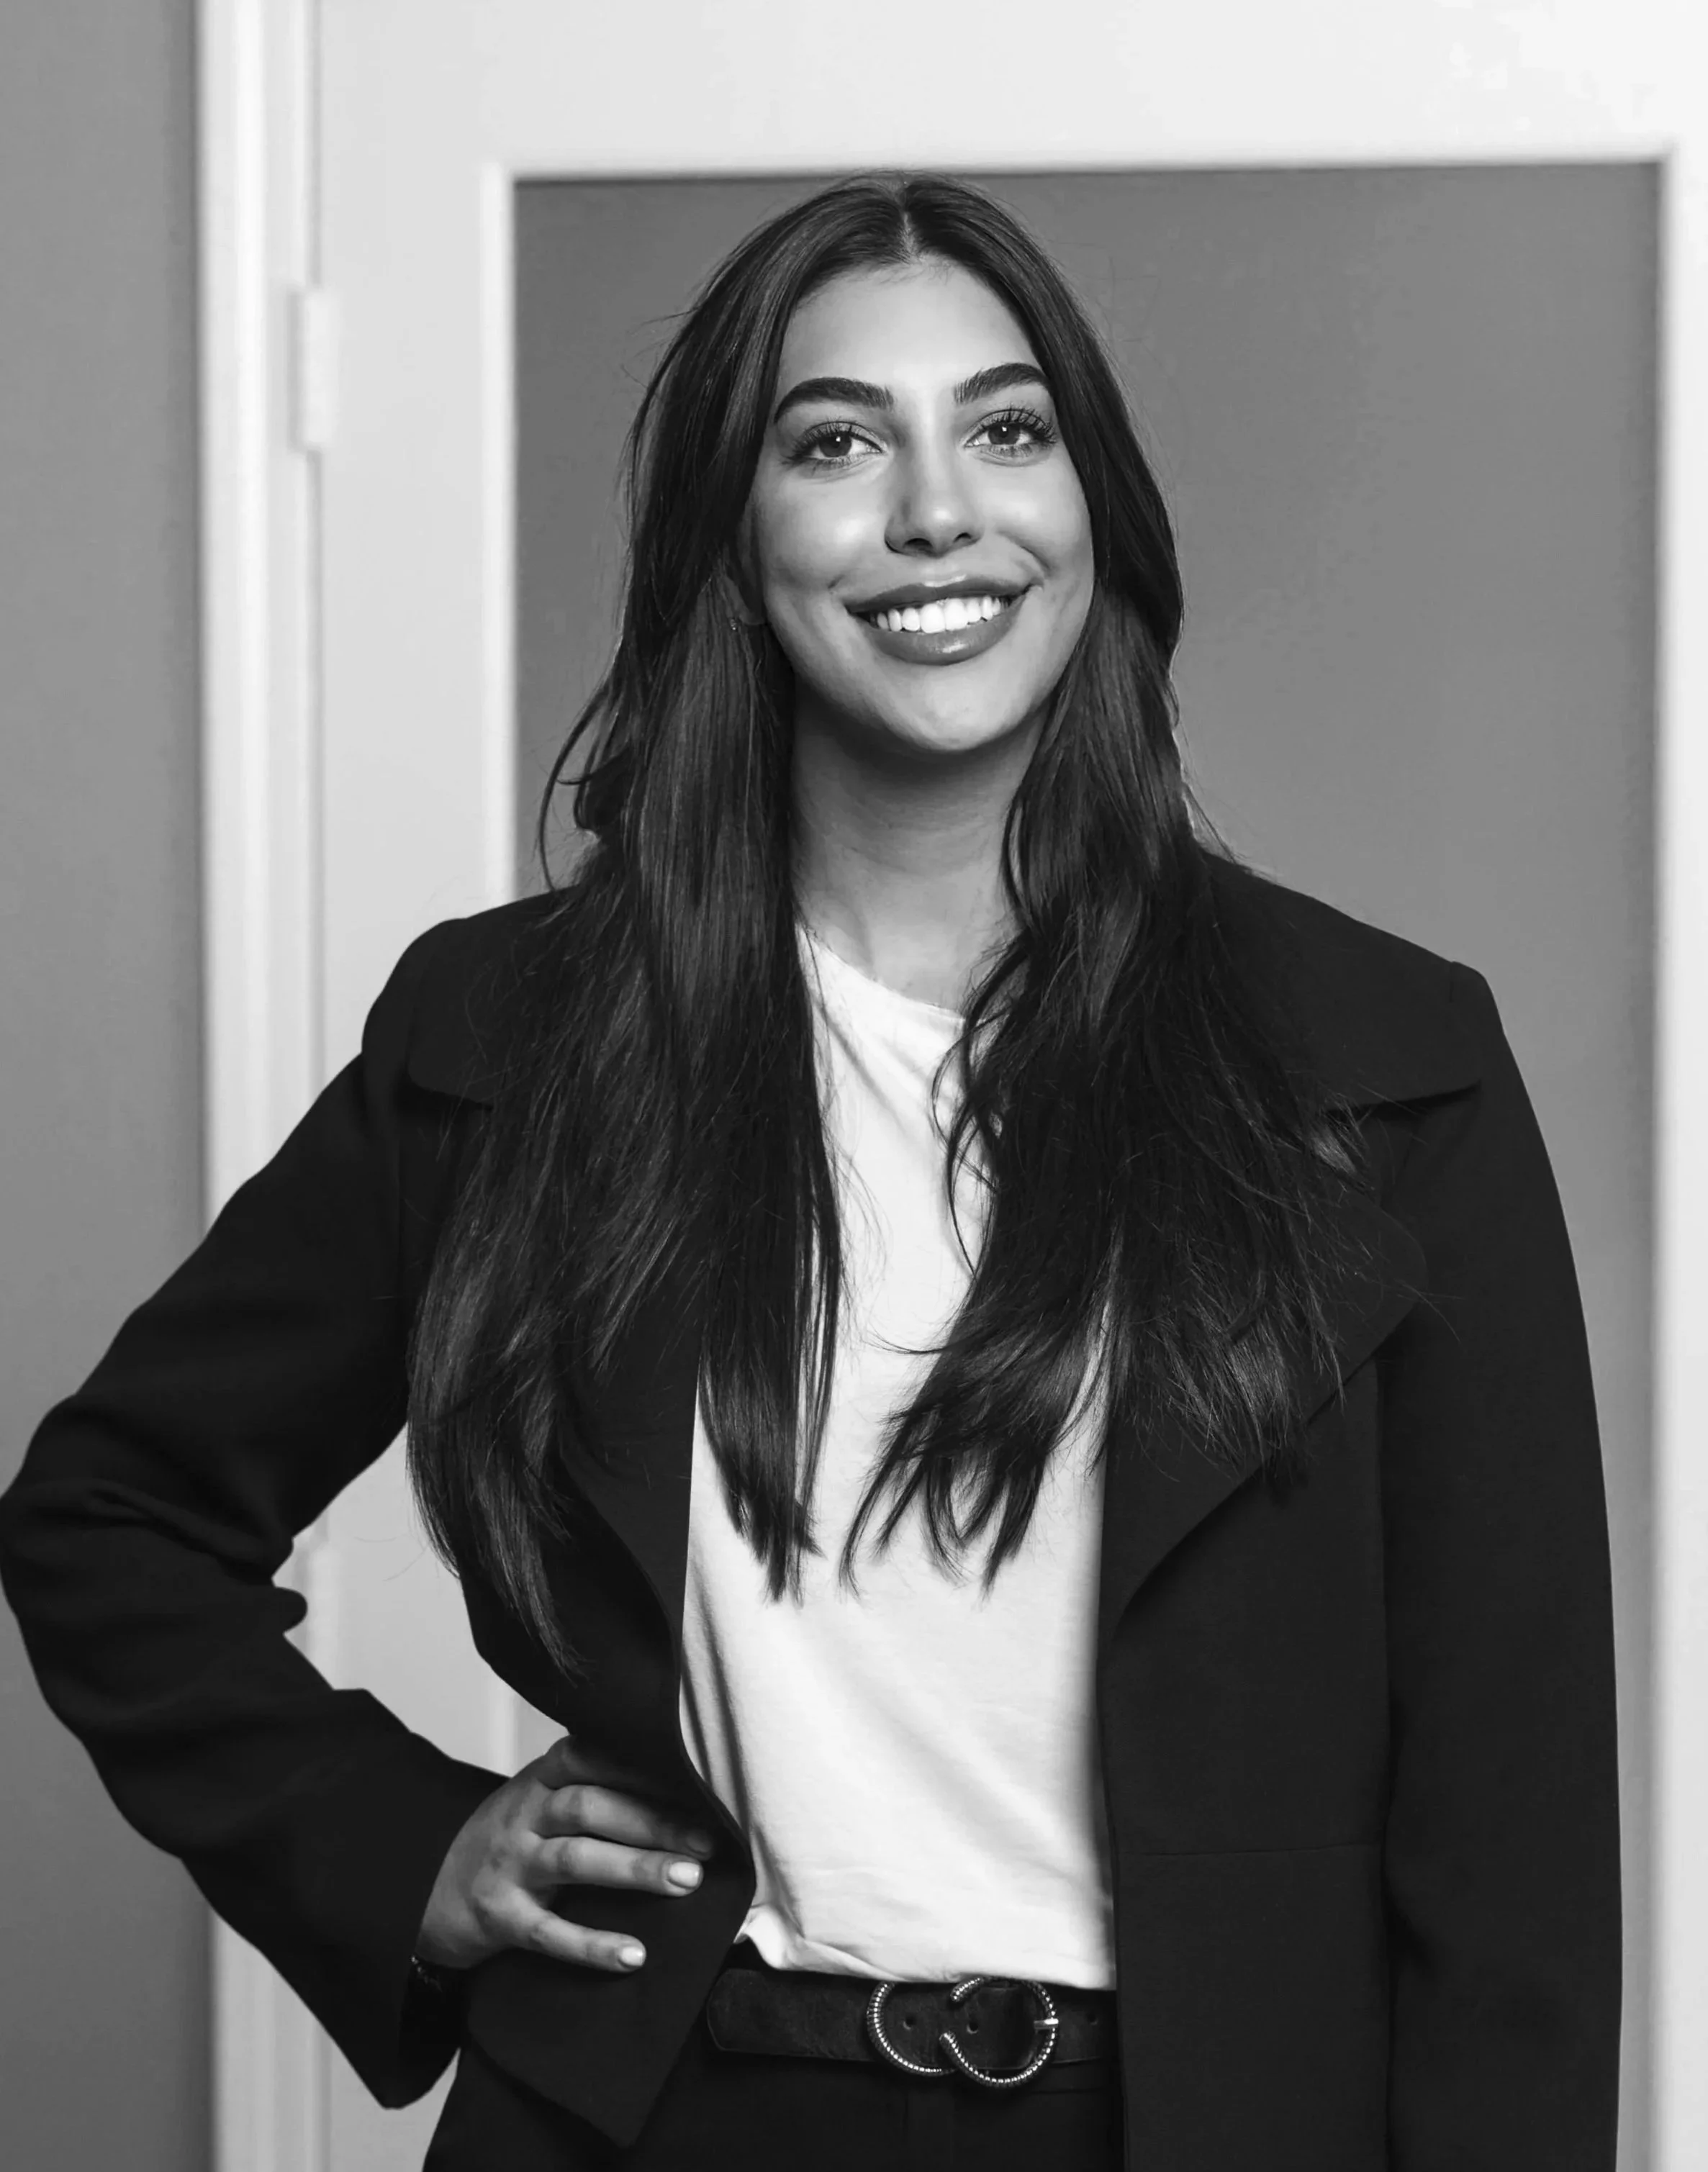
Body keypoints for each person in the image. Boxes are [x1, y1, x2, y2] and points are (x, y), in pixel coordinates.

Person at [0, 172, 1621, 2172]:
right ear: (734, 537)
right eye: (837, 443)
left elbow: (1514, 1826)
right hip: (658, 2116)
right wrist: (400, 1849)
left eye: (1007, 430)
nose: (938, 510)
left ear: (1092, 511)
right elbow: (113, 1514)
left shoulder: (1381, 1062)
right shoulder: (509, 1046)